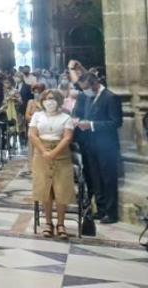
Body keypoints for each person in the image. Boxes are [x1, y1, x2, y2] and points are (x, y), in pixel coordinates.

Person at [74, 72, 121, 224]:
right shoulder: (87, 97)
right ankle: (100, 210)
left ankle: (111, 212)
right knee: (95, 178)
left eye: (86, 88)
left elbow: (116, 122)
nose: (85, 91)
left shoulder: (110, 97)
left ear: (94, 84)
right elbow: (85, 115)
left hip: (107, 146)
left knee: (108, 179)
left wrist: (92, 125)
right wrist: (79, 121)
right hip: (90, 144)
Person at [29, 89, 76, 238]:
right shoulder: (37, 116)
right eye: (47, 99)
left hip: (61, 154)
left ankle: (61, 223)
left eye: (53, 99)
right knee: (45, 190)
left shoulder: (66, 117)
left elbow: (67, 137)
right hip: (41, 153)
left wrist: (53, 153)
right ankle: (48, 223)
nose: (50, 101)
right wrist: (44, 152)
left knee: (61, 189)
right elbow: (32, 134)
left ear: (58, 101)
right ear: (42, 101)